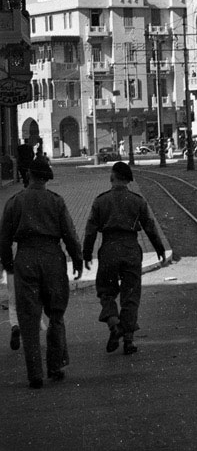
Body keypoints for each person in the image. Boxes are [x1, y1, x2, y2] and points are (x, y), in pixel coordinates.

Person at [0, 156, 83, 388]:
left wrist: (8, 264)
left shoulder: (15, 202)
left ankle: (35, 374)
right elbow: (69, 233)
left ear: (28, 176)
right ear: (46, 178)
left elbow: (4, 239)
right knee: (55, 314)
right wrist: (77, 259)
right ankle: (55, 367)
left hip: (25, 258)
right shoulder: (56, 201)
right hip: (52, 259)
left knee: (29, 319)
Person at [83, 161, 165, 356]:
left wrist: (86, 254)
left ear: (113, 177)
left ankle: (114, 324)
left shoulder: (100, 201)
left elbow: (90, 231)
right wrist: (159, 248)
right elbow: (150, 227)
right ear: (127, 180)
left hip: (109, 248)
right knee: (131, 295)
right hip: (130, 249)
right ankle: (128, 341)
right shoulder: (137, 201)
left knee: (106, 291)